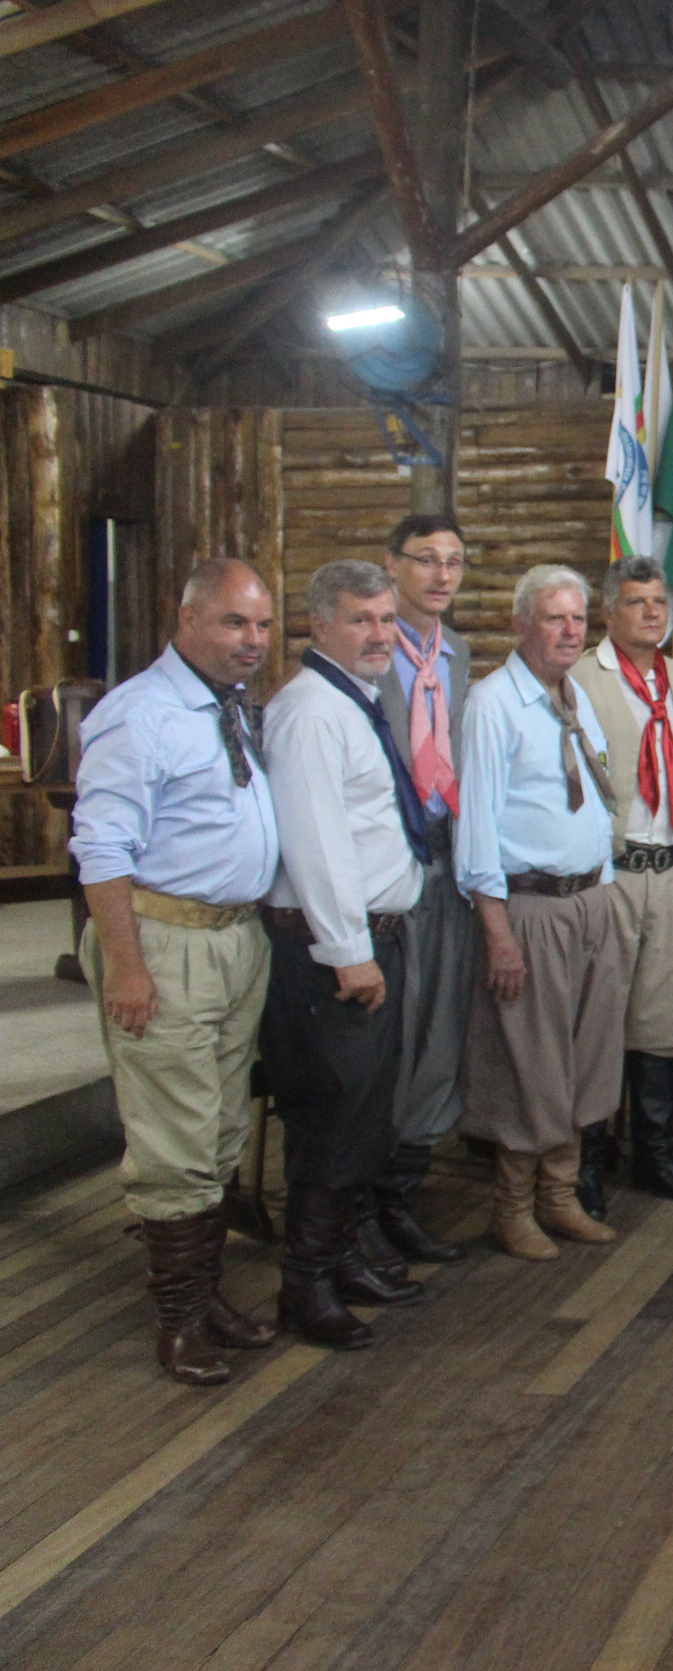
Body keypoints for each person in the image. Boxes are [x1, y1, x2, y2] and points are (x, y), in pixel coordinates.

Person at [69, 558, 282, 1385]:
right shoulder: (141, 715)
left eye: (262, 625)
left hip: (234, 941)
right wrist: (125, 967)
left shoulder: (230, 708)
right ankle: (180, 1322)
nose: (252, 641)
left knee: (223, 1129)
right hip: (163, 944)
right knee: (175, 1140)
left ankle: (209, 1297)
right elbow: (100, 850)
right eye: (235, 623)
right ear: (186, 618)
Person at [258, 561, 427, 1348]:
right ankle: (306, 1285)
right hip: (334, 956)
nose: (378, 635)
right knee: (329, 1120)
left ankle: (345, 1258)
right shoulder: (309, 713)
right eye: (360, 619)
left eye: (387, 620)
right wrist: (349, 952)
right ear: (317, 625)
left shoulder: (352, 703)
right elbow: (317, 844)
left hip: (371, 942)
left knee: (363, 1118)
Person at [455, 564, 628, 1260]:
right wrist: (498, 935)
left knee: (584, 1057)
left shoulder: (575, 699)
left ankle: (561, 1195)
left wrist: (606, 888)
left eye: (578, 619)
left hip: (588, 901)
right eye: (554, 618)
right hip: (529, 908)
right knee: (529, 1060)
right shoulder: (493, 705)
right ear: (521, 624)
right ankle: (513, 1205)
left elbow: (597, 801)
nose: (568, 631)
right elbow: (476, 832)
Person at [569, 556, 673, 1209]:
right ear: (608, 612)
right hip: (612, 874)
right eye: (637, 602)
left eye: (660, 602)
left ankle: (655, 1153)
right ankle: (586, 1165)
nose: (652, 612)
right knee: (599, 1021)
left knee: (662, 1021)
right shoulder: (580, 681)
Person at [371, 514, 475, 1269]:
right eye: (426, 561)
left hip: (447, 859)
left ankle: (404, 1190)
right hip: (385, 867)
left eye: (454, 563)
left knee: (440, 1027)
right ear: (392, 565)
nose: (441, 575)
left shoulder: (460, 656)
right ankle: (363, 1198)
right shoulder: (371, 657)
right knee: (389, 1036)